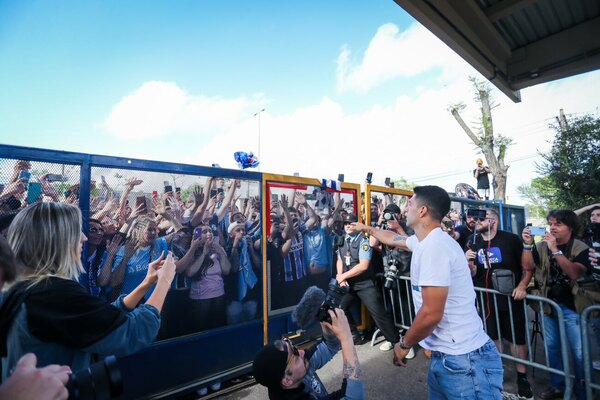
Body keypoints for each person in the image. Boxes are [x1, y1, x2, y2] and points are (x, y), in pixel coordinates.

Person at [0, 202, 176, 379]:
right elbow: (134, 332)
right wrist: (164, 281)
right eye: (76, 231)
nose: (84, 237)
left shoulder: (20, 287)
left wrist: (146, 283)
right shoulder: (52, 293)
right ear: (54, 239)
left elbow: (97, 319)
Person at [380, 185, 502, 399]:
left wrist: (403, 344)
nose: (404, 210)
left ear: (422, 211)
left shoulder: (434, 247)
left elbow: (431, 314)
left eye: (409, 204)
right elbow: (392, 238)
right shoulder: (424, 241)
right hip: (448, 357)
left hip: (465, 362)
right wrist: (366, 228)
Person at [522, 209, 592, 400]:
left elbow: (575, 274)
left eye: (558, 224)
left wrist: (555, 250)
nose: (552, 227)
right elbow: (527, 267)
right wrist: (528, 245)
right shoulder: (542, 246)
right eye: (551, 223)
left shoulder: (580, 247)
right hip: (548, 305)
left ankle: (583, 391)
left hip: (574, 307)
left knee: (579, 353)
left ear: (570, 227)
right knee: (552, 348)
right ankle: (558, 386)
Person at [465, 208, 533, 399]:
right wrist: (468, 263)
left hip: (511, 297)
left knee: (516, 338)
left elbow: (527, 267)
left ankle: (522, 377)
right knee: (492, 336)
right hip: (487, 298)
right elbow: (473, 273)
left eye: (480, 218)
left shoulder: (511, 239)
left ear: (493, 221)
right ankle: (497, 372)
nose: (475, 221)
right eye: (474, 218)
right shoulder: (474, 241)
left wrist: (522, 285)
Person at [252, 307, 364, 399]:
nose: (301, 352)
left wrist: (326, 322)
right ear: (287, 380)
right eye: (295, 357)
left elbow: (330, 346)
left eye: (294, 348)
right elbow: (353, 397)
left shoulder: (295, 373)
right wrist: (347, 337)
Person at [335, 213, 400, 356]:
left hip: (365, 284)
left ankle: (397, 342)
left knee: (378, 314)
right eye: (346, 223)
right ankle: (354, 336)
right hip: (349, 283)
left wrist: (343, 276)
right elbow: (340, 259)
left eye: (351, 223)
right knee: (339, 309)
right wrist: (341, 277)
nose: (348, 225)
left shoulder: (363, 241)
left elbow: (364, 266)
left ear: (357, 226)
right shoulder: (342, 240)